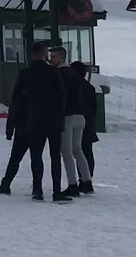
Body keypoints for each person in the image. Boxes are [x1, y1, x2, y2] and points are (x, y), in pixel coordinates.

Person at [0, 42, 70, 201]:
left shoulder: (25, 74)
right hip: (52, 121)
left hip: (31, 122)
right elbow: (62, 97)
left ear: (31, 54)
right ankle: (56, 192)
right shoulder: (53, 72)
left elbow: (15, 101)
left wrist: (11, 126)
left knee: (35, 156)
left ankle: (37, 190)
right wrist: (59, 118)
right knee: (55, 157)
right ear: (44, 54)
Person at [50, 46, 92, 196]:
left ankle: (72, 184)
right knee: (77, 150)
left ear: (61, 58)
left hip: (67, 117)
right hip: (80, 116)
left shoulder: (59, 75)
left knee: (66, 152)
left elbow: (59, 97)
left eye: (53, 57)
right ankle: (87, 182)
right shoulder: (75, 76)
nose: (51, 59)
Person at [70, 61, 99, 184]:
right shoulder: (90, 87)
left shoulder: (71, 87)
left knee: (77, 151)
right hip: (88, 122)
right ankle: (87, 177)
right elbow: (94, 108)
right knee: (87, 151)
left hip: (74, 122)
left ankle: (82, 177)